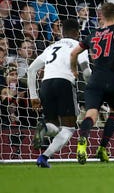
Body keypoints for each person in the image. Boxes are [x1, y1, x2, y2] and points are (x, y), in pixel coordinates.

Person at [70, 2, 114, 165]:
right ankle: (102, 148)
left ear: (101, 16)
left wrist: (74, 70)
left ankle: (82, 142)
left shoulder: (92, 34)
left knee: (91, 113)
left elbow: (73, 52)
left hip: (96, 78)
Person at [27, 19, 90, 168]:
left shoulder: (51, 47)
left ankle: (43, 153)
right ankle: (43, 154)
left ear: (62, 32)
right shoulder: (78, 45)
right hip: (64, 83)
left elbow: (31, 70)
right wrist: (92, 87)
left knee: (53, 125)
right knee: (68, 128)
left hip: (46, 85)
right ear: (77, 32)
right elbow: (86, 71)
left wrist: (33, 96)